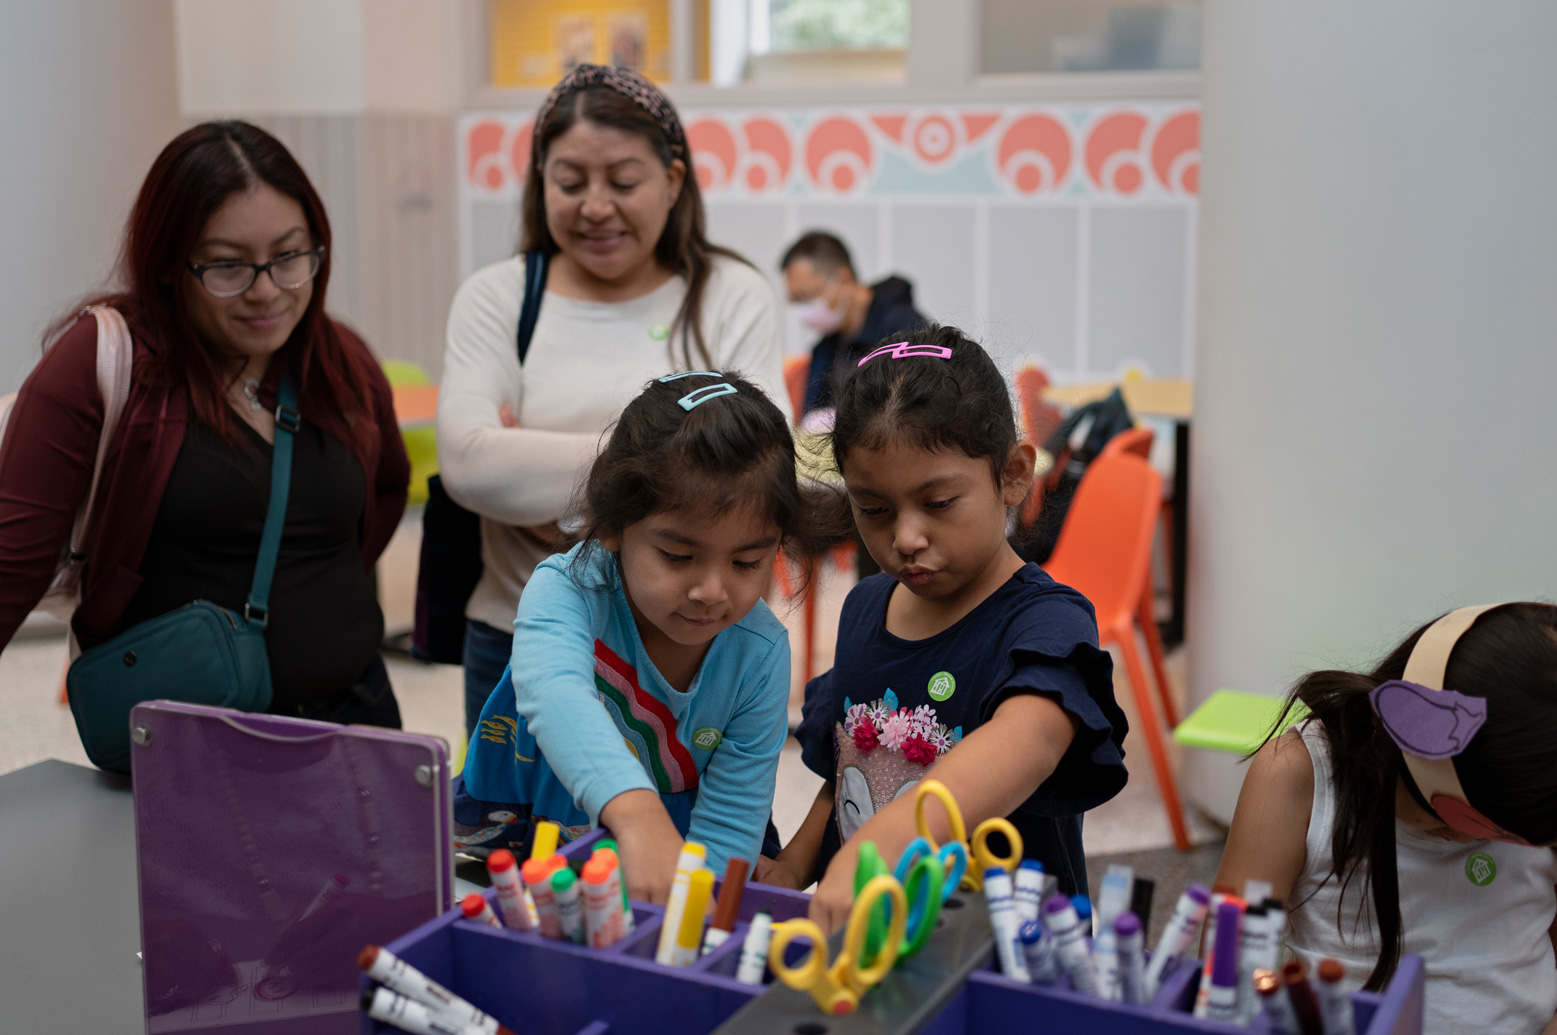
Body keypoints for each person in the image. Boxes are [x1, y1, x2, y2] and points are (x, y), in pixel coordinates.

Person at [0, 121, 409, 726]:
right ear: (168, 263)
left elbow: (383, 493)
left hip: (356, 721)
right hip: (186, 747)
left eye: (290, 255)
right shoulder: (104, 362)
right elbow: (11, 564)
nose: (267, 291)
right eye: (228, 266)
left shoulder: (339, 358)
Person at [439, 65, 786, 737]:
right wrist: (671, 474)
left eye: (623, 182)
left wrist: (566, 491)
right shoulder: (500, 296)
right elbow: (468, 462)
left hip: (686, 654)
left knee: (691, 840)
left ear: (673, 181)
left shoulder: (729, 296)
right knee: (516, 843)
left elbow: (760, 470)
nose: (595, 206)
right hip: (515, 632)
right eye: (568, 183)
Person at [763, 326, 1130, 933]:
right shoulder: (864, 607)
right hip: (872, 937)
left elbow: (1028, 741)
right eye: (873, 510)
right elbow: (849, 768)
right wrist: (796, 863)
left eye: (937, 504)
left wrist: (895, 837)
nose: (904, 537)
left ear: (1013, 473)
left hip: (1003, 953)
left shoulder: (1047, 620)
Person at [462, 372, 827, 902]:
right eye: (678, 556)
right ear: (613, 525)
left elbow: (728, 824)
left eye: (748, 561)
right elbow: (555, 695)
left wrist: (686, 918)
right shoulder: (567, 589)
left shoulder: (760, 653)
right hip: (543, 829)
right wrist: (636, 814)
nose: (711, 590)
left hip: (686, 847)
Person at [1215, 603, 1557, 1034]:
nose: (1457, 840)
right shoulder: (1298, 774)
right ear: (1386, 737)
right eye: (1438, 821)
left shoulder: (1541, 788)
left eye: (1498, 835)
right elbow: (1228, 964)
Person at [781, 230, 928, 415]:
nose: (803, 311)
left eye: (806, 296)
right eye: (795, 301)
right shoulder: (824, 349)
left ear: (843, 280)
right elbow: (810, 413)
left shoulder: (907, 329)